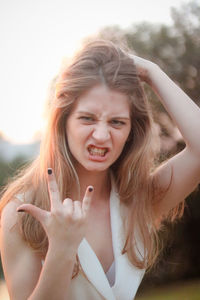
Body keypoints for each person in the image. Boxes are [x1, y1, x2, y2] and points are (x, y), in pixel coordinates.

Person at [0, 39, 200, 300]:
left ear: (131, 131)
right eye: (87, 118)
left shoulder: (138, 199)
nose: (102, 135)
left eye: (117, 122)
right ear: (63, 121)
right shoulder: (23, 212)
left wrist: (152, 72)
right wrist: (61, 248)